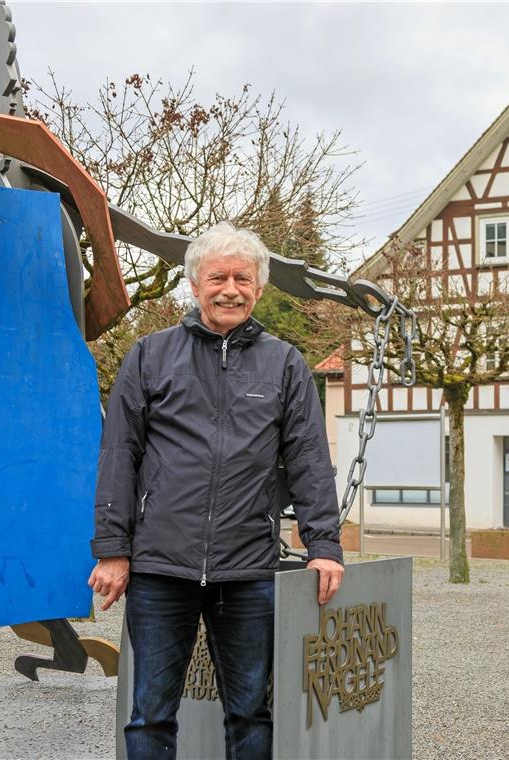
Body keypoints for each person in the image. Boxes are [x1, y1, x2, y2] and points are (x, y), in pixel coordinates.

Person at [87, 221, 345, 760]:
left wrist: (324, 547)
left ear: (259, 286)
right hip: (160, 567)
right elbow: (118, 456)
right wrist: (113, 550)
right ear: (195, 284)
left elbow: (309, 459)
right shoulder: (149, 356)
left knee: (250, 713)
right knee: (150, 716)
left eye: (243, 278)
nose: (231, 288)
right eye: (218, 277)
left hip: (248, 569)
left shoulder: (285, 365)